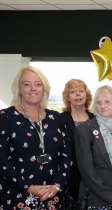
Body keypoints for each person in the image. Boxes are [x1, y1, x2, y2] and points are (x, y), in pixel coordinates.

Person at [0, 66, 72, 209]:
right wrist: (27, 187)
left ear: (44, 89)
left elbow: (67, 155)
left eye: (38, 84)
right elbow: (2, 160)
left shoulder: (55, 118)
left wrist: (57, 186)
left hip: (53, 197)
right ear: (19, 89)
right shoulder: (5, 117)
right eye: (27, 84)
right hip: (18, 197)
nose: (33, 88)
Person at [60, 79, 95, 203]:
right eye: (73, 92)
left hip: (94, 178)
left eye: (81, 91)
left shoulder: (94, 119)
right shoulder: (61, 119)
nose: (78, 94)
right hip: (70, 178)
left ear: (87, 95)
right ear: (68, 98)